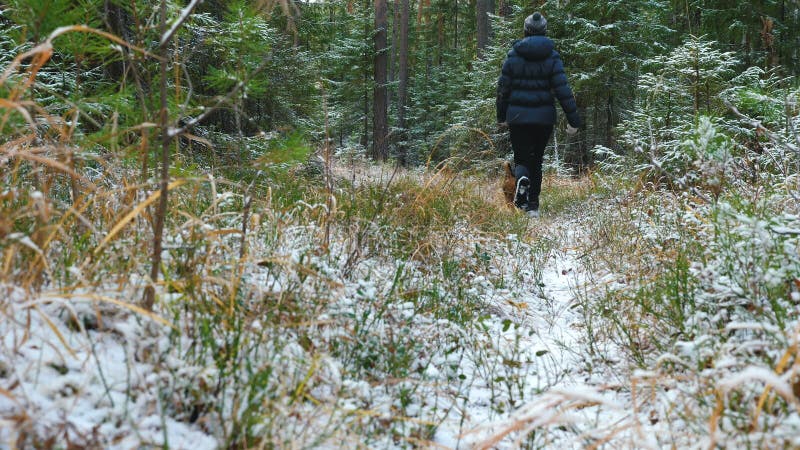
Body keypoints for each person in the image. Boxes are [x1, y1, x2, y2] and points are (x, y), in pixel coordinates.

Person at [496, 12, 580, 218]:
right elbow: (563, 90)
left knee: (522, 158)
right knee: (537, 160)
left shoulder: (514, 55)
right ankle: (533, 204)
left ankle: (522, 189)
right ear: (544, 31)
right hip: (543, 119)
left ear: (525, 31)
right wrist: (574, 120)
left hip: (518, 118)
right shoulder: (552, 56)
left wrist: (501, 116)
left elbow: (503, 88)